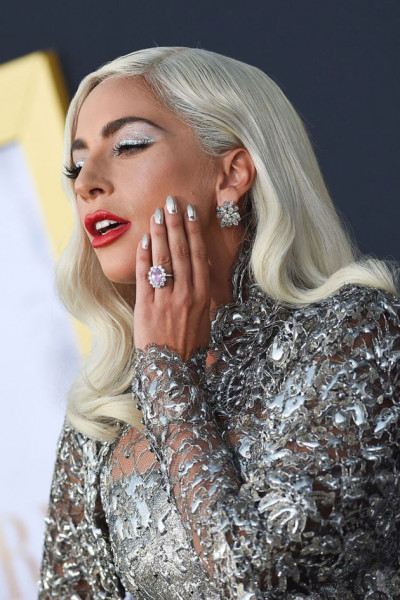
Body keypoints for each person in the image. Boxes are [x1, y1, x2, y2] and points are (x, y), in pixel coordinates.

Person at [38, 47, 400, 599]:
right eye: (76, 164)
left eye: (128, 145)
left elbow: (257, 579)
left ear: (232, 174)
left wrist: (166, 371)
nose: (86, 182)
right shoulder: (106, 408)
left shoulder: (359, 334)